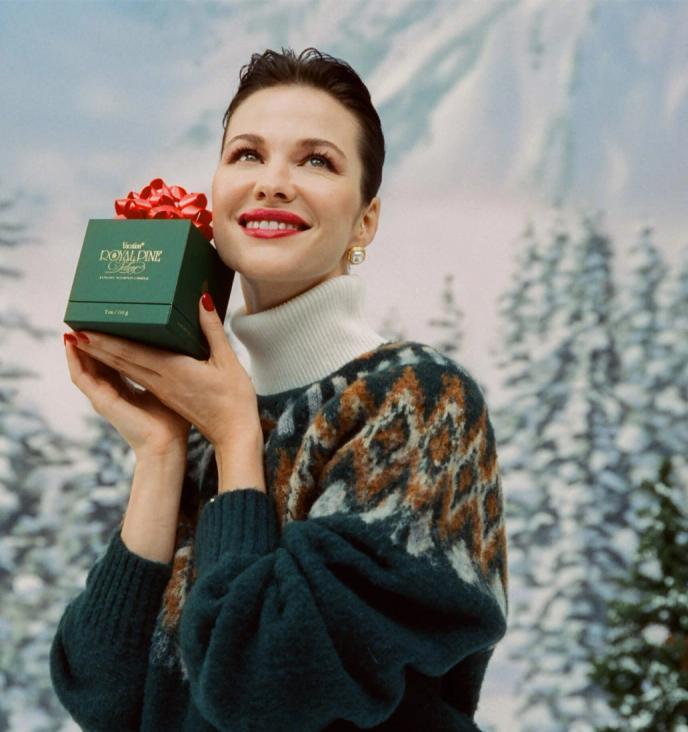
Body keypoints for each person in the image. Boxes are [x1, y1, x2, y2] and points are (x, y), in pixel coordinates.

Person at [50, 47, 509, 732]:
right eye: (247, 155)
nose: (272, 182)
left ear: (365, 220)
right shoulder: (207, 410)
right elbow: (101, 696)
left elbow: (265, 687)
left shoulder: (419, 403)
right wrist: (160, 453)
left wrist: (238, 438)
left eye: (317, 161)